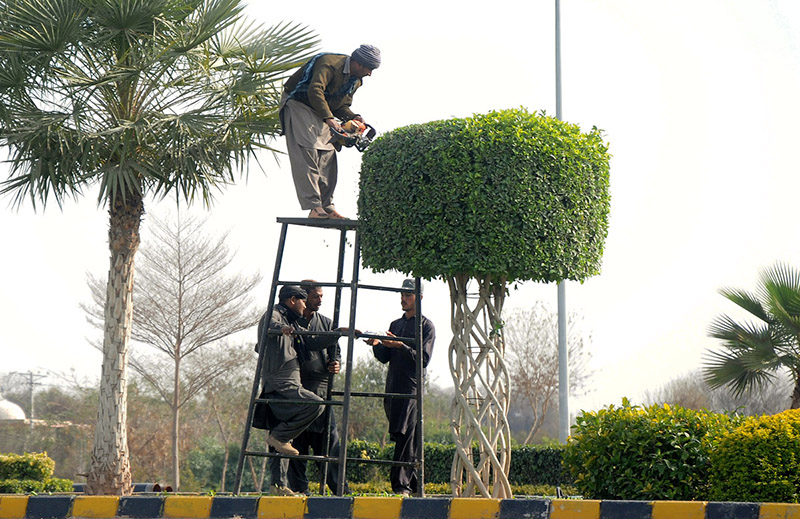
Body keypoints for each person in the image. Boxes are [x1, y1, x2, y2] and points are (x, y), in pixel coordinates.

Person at [252, 285, 341, 494]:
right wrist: (282, 329)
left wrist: (338, 334)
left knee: (281, 438)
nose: (305, 306)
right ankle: (279, 437)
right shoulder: (274, 315)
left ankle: (278, 486)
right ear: (293, 300)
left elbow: (311, 342)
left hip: (286, 385)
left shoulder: (295, 321)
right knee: (314, 406)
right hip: (282, 384)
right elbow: (270, 326)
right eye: (303, 301)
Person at [281, 44, 381, 219]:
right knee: (308, 149)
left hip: (321, 110)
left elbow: (341, 106)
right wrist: (329, 119)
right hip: (299, 103)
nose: (370, 74)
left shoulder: (355, 81)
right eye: (369, 68)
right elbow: (315, 90)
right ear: (358, 63)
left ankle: (327, 207)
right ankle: (314, 208)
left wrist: (355, 117)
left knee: (328, 153)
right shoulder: (329, 63)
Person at [366, 279, 436, 496]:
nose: (403, 299)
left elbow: (423, 359)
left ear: (419, 297)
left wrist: (401, 346)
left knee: (406, 436)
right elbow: (385, 358)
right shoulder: (395, 325)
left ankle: (401, 486)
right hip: (392, 388)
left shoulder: (426, 326)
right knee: (404, 436)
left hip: (410, 390)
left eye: (408, 295)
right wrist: (377, 344)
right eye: (402, 295)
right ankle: (415, 485)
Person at [285, 281, 350, 495]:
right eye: (315, 296)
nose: (320, 300)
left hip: (322, 391)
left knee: (330, 445)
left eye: (321, 296)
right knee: (297, 447)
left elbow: (335, 351)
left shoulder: (327, 323)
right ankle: (300, 491)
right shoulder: (290, 321)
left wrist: (335, 362)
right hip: (297, 392)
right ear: (303, 297)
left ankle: (341, 492)